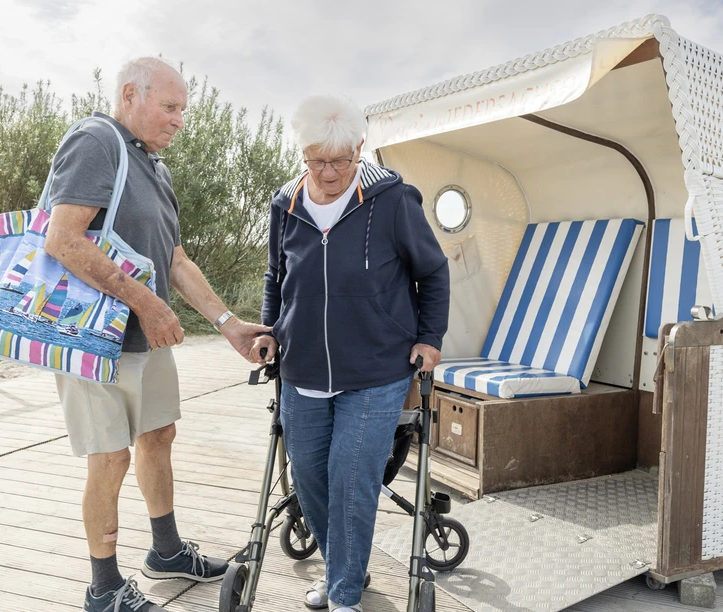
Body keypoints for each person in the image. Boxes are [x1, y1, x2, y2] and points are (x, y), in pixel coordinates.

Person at [43, 56, 268, 612]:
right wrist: (147, 304)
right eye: (169, 107)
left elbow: (175, 259)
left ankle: (165, 552)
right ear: (129, 95)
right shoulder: (96, 141)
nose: (179, 120)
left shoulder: (156, 168)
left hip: (146, 336)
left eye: (183, 109)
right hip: (92, 340)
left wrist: (228, 325)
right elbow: (63, 240)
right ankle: (104, 589)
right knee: (110, 457)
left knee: (159, 437)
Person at [251, 95, 449, 612]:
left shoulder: (392, 199)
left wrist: (429, 338)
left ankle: (343, 596)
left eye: (341, 160)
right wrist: (270, 329)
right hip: (302, 369)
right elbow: (276, 275)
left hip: (376, 370)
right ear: (302, 153)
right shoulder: (284, 204)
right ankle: (349, 570)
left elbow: (433, 271)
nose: (329, 171)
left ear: (361, 149)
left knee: (351, 479)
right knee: (311, 478)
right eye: (317, 159)